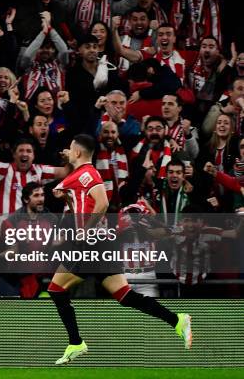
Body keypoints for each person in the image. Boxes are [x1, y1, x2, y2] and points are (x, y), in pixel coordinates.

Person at [48, 134, 192, 365]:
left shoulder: (87, 173)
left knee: (56, 289)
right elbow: (79, 203)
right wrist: (67, 195)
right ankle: (177, 320)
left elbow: (102, 202)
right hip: (99, 242)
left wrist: (86, 229)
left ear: (77, 153)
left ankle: (76, 342)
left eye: (71, 149)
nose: (67, 151)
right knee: (124, 295)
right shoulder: (79, 174)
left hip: (91, 242)